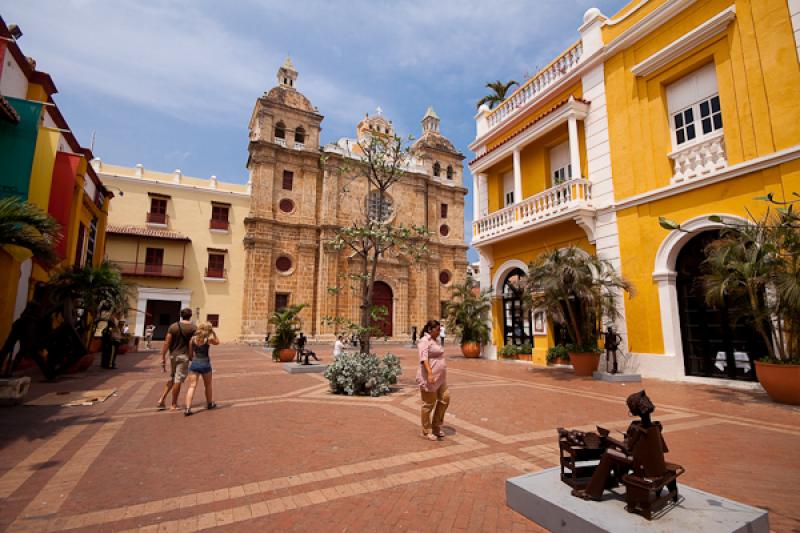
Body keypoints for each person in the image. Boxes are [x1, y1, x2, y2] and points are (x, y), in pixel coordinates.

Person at [157, 308, 197, 411]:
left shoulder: (173, 326)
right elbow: (193, 343)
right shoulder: (193, 328)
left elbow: (167, 342)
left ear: (181, 315)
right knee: (178, 380)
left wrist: (163, 357)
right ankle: (174, 404)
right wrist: (192, 355)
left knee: (173, 377)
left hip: (173, 356)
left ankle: (162, 399)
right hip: (184, 356)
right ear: (190, 315)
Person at [417, 319, 449, 441]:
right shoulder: (424, 341)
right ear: (430, 330)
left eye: (440, 330)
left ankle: (436, 425)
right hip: (429, 378)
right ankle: (426, 431)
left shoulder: (436, 340)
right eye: (437, 330)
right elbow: (424, 358)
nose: (439, 332)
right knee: (429, 404)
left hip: (440, 378)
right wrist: (430, 373)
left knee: (445, 398)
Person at [184, 322, 219, 416]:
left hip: (195, 363)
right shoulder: (208, 339)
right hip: (205, 364)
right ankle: (209, 403)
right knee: (208, 385)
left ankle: (187, 408)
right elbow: (217, 342)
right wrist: (214, 333)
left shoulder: (192, 339)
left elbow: (190, 354)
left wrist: (194, 360)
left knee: (192, 386)